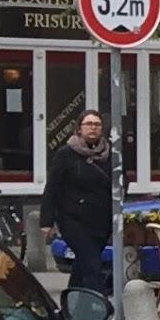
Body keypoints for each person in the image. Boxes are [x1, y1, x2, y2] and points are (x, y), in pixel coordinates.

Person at [40, 109, 112, 294]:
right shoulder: (66, 154)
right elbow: (52, 187)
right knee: (92, 263)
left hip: (101, 220)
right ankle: (99, 303)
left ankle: (72, 302)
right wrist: (46, 221)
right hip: (73, 219)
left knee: (82, 264)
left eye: (97, 124)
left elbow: (121, 180)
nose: (93, 128)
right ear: (79, 129)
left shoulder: (111, 153)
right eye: (88, 124)